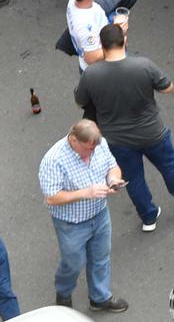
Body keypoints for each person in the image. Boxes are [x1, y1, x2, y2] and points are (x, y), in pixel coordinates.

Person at [72, 21, 174, 232]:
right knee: (170, 166)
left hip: (118, 140)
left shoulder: (91, 75)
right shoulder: (143, 65)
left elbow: (81, 101)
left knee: (133, 179)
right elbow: (168, 87)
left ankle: (148, 217)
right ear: (124, 41)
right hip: (152, 132)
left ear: (102, 45)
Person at [38, 119, 127, 313]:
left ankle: (99, 297)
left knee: (101, 257)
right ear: (73, 140)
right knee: (73, 263)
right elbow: (52, 198)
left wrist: (113, 179)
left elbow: (112, 165)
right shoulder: (53, 160)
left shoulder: (98, 144)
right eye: (88, 149)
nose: (92, 153)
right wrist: (86, 193)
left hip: (100, 214)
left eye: (94, 149)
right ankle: (63, 293)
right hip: (72, 224)